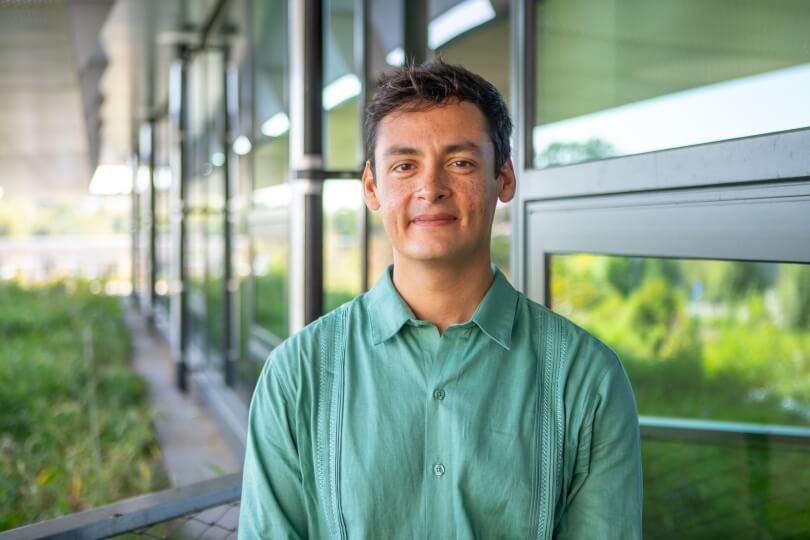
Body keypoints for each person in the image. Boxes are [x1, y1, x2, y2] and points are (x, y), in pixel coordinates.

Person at [239, 60, 642, 539]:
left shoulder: (587, 379)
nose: (431, 188)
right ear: (372, 187)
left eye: (460, 163)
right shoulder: (296, 375)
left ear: (505, 178)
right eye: (405, 166)